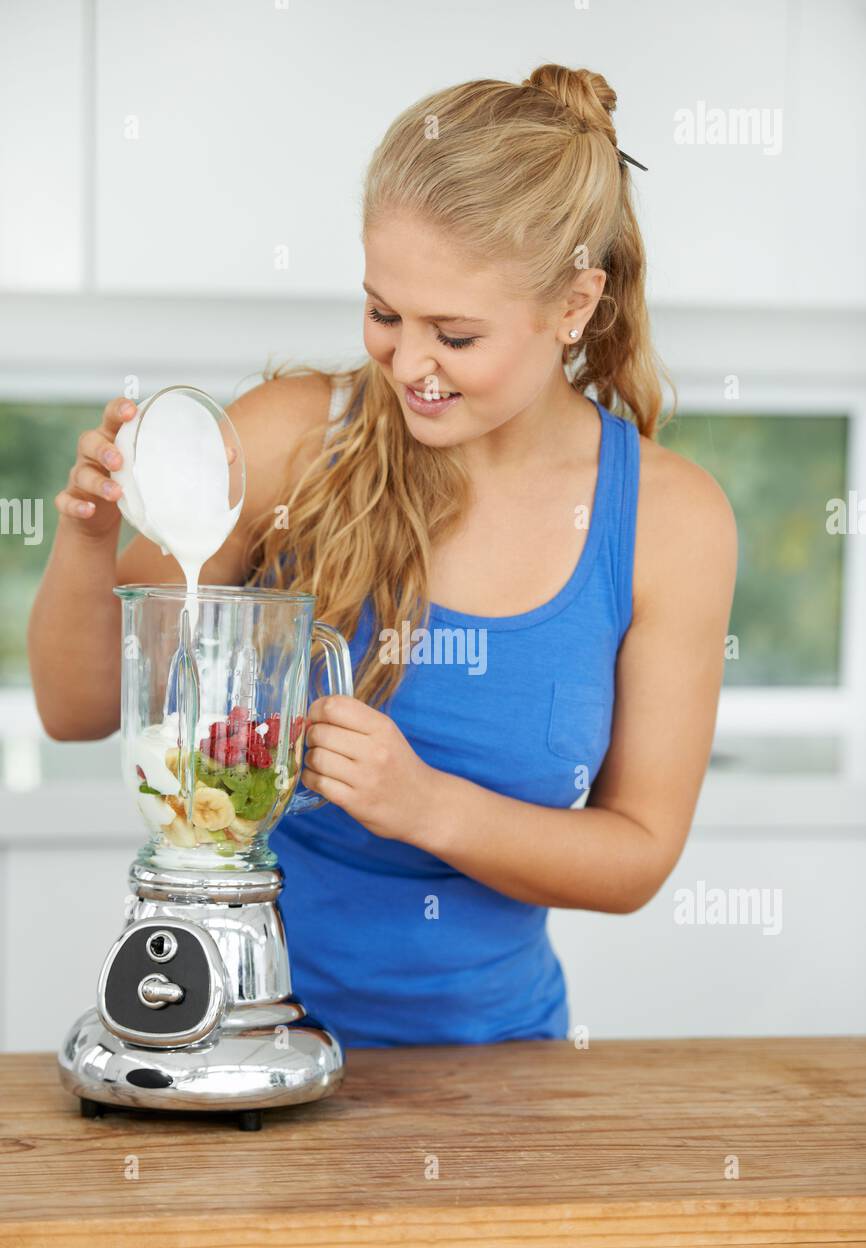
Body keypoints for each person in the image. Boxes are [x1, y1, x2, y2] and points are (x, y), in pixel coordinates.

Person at [29, 65, 737, 1048]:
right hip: (241, 1036)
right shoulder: (287, 440)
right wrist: (89, 532)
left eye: (453, 333)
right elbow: (78, 709)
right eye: (382, 314)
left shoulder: (669, 521)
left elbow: (634, 857)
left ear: (573, 305)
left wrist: (425, 805)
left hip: (497, 1070)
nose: (406, 365)